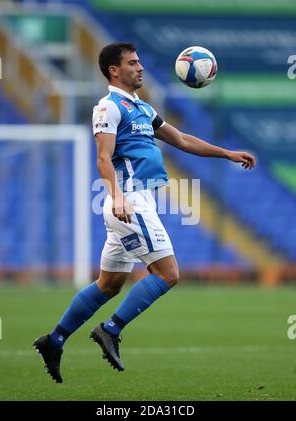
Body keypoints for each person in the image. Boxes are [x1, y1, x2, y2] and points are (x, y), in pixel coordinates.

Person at [33, 42, 255, 383]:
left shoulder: (141, 108)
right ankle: (110, 330)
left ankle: (55, 339)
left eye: (139, 62)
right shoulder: (108, 108)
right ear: (114, 70)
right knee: (168, 274)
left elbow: (180, 139)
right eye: (132, 63)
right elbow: (103, 158)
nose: (140, 67)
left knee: (108, 285)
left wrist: (227, 153)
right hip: (129, 202)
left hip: (139, 201)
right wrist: (117, 196)